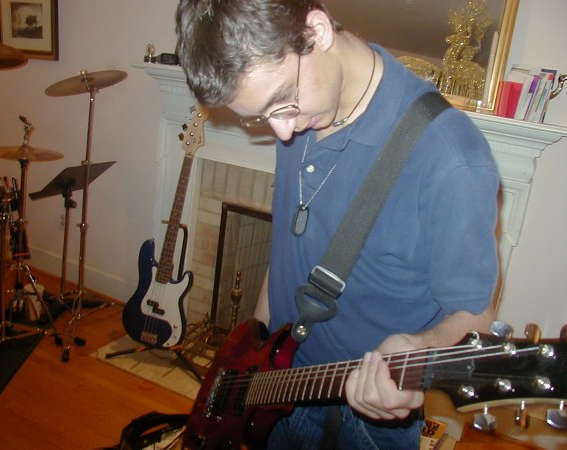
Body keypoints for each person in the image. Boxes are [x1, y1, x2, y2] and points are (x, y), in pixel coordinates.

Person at [176, 1, 499, 448]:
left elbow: (477, 316)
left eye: (282, 101)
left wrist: (420, 350)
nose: (282, 133)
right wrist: (249, 347)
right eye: (260, 117)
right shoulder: (303, 111)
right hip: (268, 385)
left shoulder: (451, 155)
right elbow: (289, 243)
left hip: (360, 426)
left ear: (317, 30)